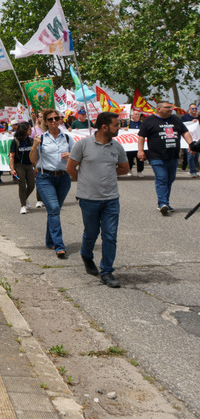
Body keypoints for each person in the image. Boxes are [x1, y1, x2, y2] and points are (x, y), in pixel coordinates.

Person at [66, 112, 130, 288]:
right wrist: (85, 180)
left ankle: (107, 271)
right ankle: (86, 255)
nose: (119, 128)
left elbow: (125, 168)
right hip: (88, 199)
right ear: (104, 127)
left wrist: (107, 174)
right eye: (116, 125)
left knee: (110, 236)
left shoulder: (116, 146)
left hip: (111, 199)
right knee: (91, 233)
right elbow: (70, 168)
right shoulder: (83, 145)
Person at [137, 101, 195, 215]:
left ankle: (165, 203)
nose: (170, 109)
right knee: (162, 178)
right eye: (167, 107)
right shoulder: (149, 120)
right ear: (159, 109)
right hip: (156, 156)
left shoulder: (175, 119)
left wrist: (191, 144)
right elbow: (141, 136)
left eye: (171, 107)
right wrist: (140, 150)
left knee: (170, 179)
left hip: (173, 156)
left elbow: (185, 132)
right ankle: (162, 203)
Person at [29, 108, 73, 259]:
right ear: (46, 122)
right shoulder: (41, 139)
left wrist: (71, 156)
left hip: (63, 178)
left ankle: (50, 240)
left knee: (55, 210)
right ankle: (59, 245)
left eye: (56, 118)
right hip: (45, 177)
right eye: (50, 119)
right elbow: (33, 160)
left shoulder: (67, 138)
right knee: (53, 208)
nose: (54, 121)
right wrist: (34, 146)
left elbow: (78, 157)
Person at [9, 122, 36, 214]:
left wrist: (35, 166)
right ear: (24, 130)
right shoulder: (15, 141)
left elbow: (34, 155)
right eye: (29, 129)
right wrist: (12, 169)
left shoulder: (31, 141)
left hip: (29, 165)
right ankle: (23, 205)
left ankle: (24, 198)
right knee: (22, 185)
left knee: (32, 185)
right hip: (19, 165)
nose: (31, 130)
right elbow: (11, 156)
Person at [181, 104, 199, 177]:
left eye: (195, 108)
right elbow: (182, 126)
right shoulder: (184, 117)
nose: (194, 110)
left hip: (197, 139)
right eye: (192, 109)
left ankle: (193, 168)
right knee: (190, 154)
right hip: (188, 140)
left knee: (197, 156)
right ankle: (193, 171)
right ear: (189, 109)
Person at [126, 110, 145, 177]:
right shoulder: (128, 123)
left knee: (140, 158)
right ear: (132, 116)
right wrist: (124, 129)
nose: (137, 116)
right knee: (129, 158)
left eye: (138, 114)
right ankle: (129, 170)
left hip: (139, 145)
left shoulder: (142, 123)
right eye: (136, 114)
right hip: (130, 144)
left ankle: (139, 171)